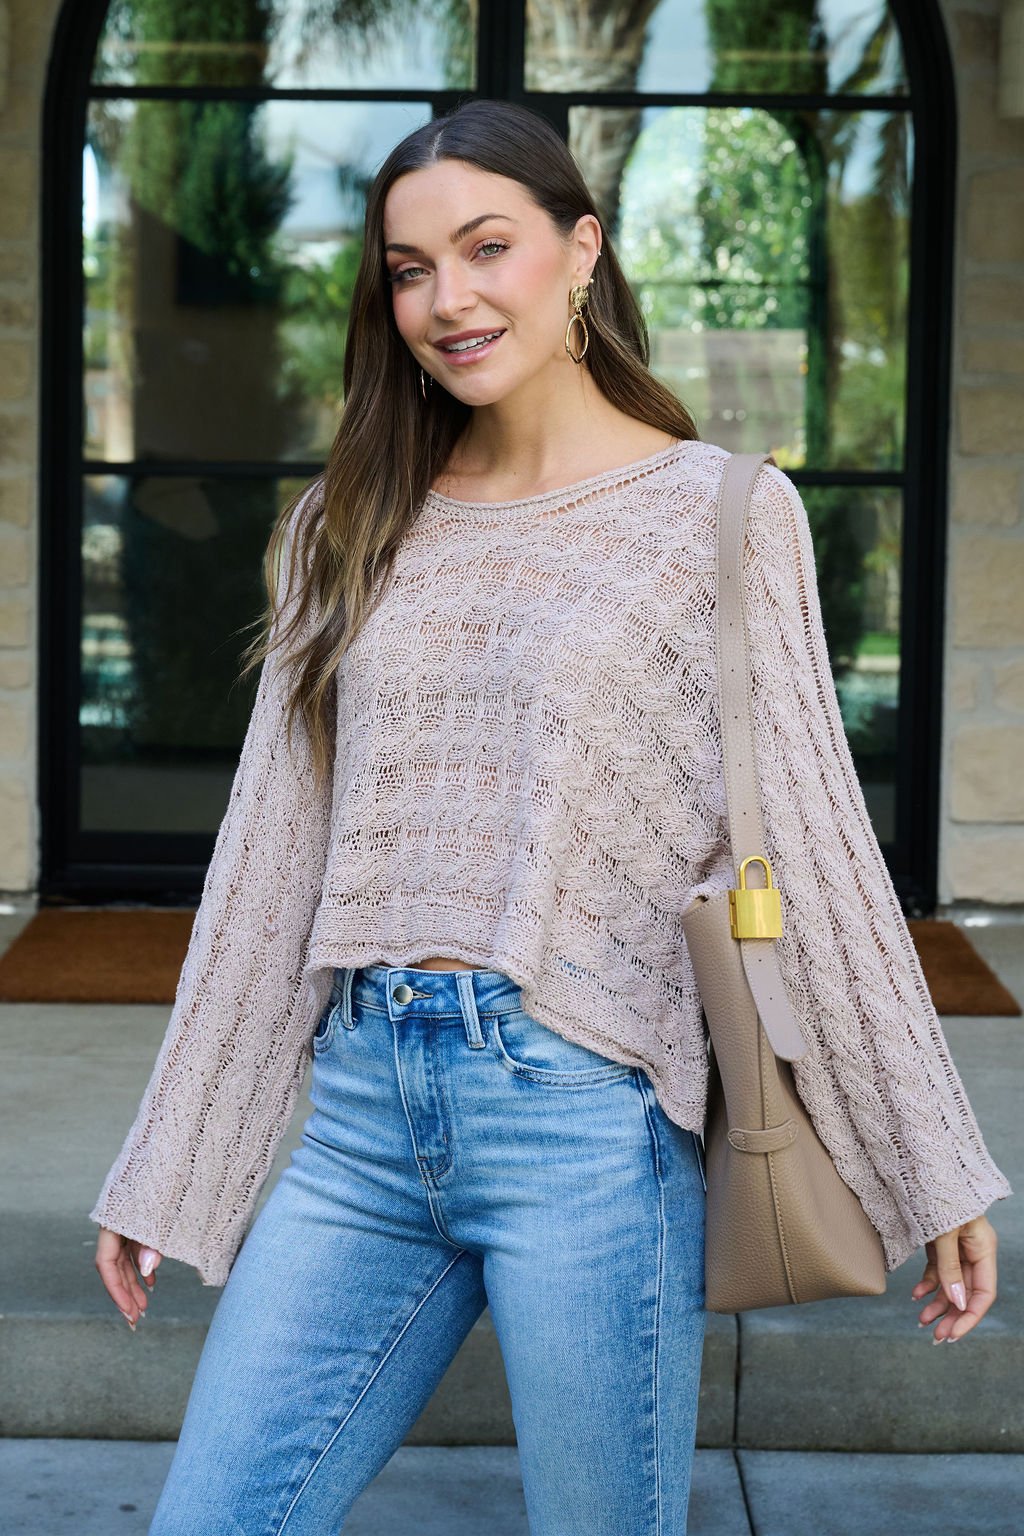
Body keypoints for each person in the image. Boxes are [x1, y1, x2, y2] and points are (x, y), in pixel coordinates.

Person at [91, 99, 1010, 1534]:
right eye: (407, 269)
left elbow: (819, 849)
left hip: (585, 1117)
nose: (446, 299)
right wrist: (178, 1158)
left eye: (486, 248)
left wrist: (926, 1161)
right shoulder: (342, 520)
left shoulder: (720, 514)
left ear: (581, 251)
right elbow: (272, 858)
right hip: (359, 1121)